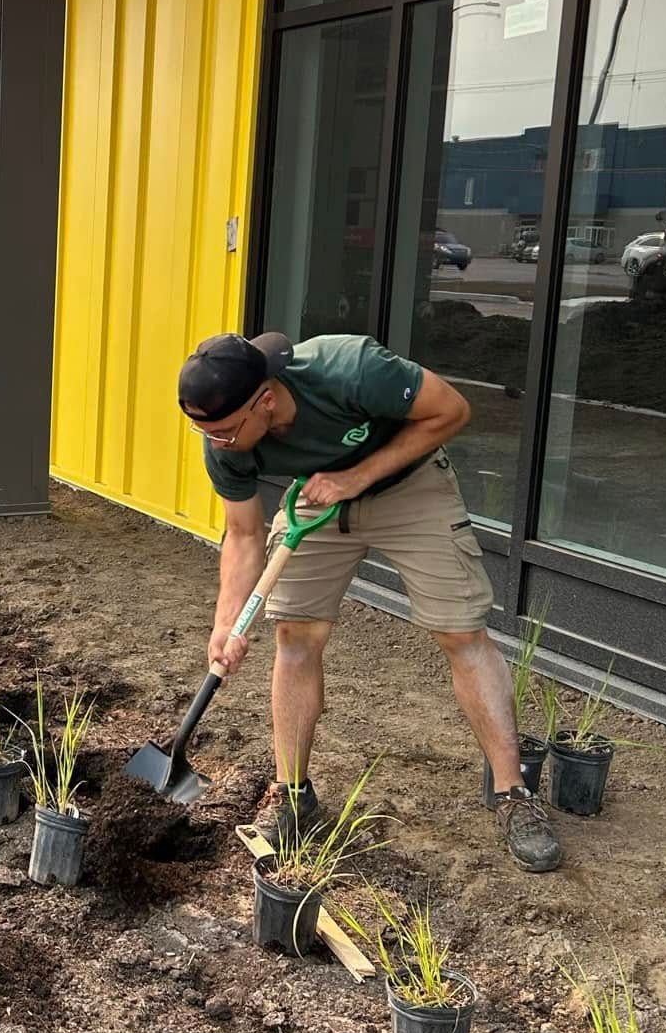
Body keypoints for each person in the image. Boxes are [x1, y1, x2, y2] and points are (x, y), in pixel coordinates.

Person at [177, 329, 561, 873]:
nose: (214, 441)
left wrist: (357, 476)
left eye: (223, 431)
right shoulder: (222, 437)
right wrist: (226, 624)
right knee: (295, 636)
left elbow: (452, 410)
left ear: (265, 400)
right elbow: (242, 534)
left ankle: (512, 794)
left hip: (408, 487)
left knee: (460, 633)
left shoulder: (348, 369)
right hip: (316, 498)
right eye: (203, 430)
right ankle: (292, 795)